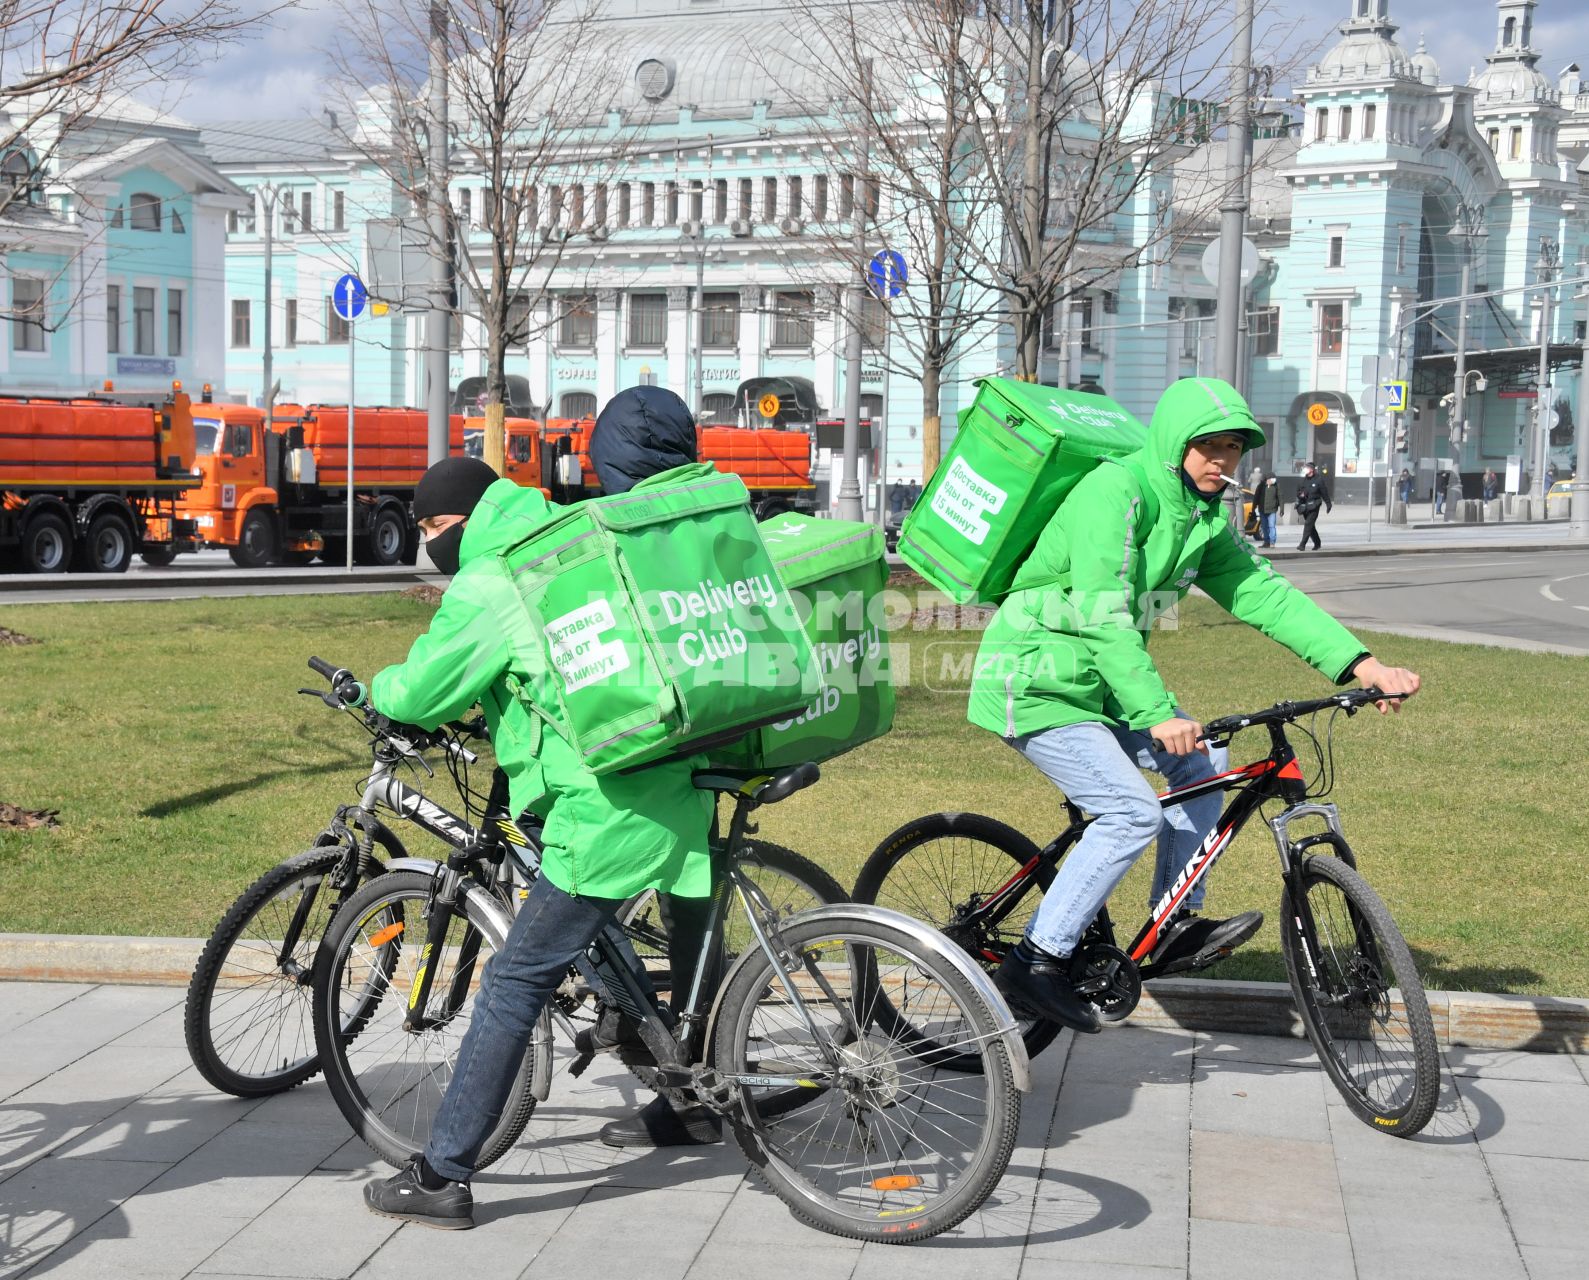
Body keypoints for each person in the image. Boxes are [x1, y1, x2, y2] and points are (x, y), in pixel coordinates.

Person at [361, 387, 725, 1231]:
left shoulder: (492, 579)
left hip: (608, 801)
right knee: (683, 937)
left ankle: (443, 1172)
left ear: (452, 523)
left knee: (516, 977)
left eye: (427, 531)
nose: (426, 545)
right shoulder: (571, 536)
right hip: (676, 772)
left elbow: (421, 690)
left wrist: (377, 692)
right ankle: (687, 1098)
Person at [967, 377, 1419, 1034]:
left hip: (1101, 688)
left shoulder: (1203, 514)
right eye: (1207, 445)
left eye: (1232, 448)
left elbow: (1263, 595)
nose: (1221, 460)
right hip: (1035, 683)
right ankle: (1033, 962)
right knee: (1129, 813)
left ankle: (1173, 923)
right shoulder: (1114, 492)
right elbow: (1103, 614)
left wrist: (1363, 665)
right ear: (1174, 442)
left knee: (1203, 760)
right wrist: (1154, 712)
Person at [1295, 462, 1331, 550]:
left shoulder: (1318, 480)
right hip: (1305, 506)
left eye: (1306, 467)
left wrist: (1328, 504)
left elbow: (1324, 493)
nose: (1305, 469)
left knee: (1308, 524)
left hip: (1314, 505)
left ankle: (1302, 544)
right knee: (1310, 527)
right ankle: (1317, 543)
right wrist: (1301, 495)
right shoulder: (1303, 480)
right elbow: (1298, 492)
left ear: (1311, 469)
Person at [1258, 474, 1281, 548]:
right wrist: (1253, 507)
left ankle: (1272, 542)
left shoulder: (1276, 486)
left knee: (1271, 526)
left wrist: (1282, 509)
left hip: (1272, 510)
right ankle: (1266, 542)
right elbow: (1256, 497)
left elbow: (1280, 497)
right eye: (1272, 479)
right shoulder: (1261, 486)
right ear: (1267, 480)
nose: (1273, 480)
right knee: (1264, 527)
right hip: (1262, 510)